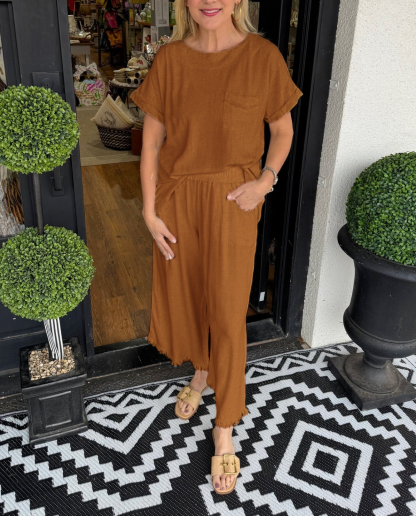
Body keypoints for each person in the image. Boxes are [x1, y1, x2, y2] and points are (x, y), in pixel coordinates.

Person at [130, 0, 303, 496]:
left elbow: (283, 130)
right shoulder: (170, 60)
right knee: (188, 297)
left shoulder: (262, 56)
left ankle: (224, 425)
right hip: (178, 199)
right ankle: (202, 373)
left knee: (226, 312)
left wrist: (265, 182)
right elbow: (152, 141)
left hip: (233, 201)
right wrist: (149, 212)